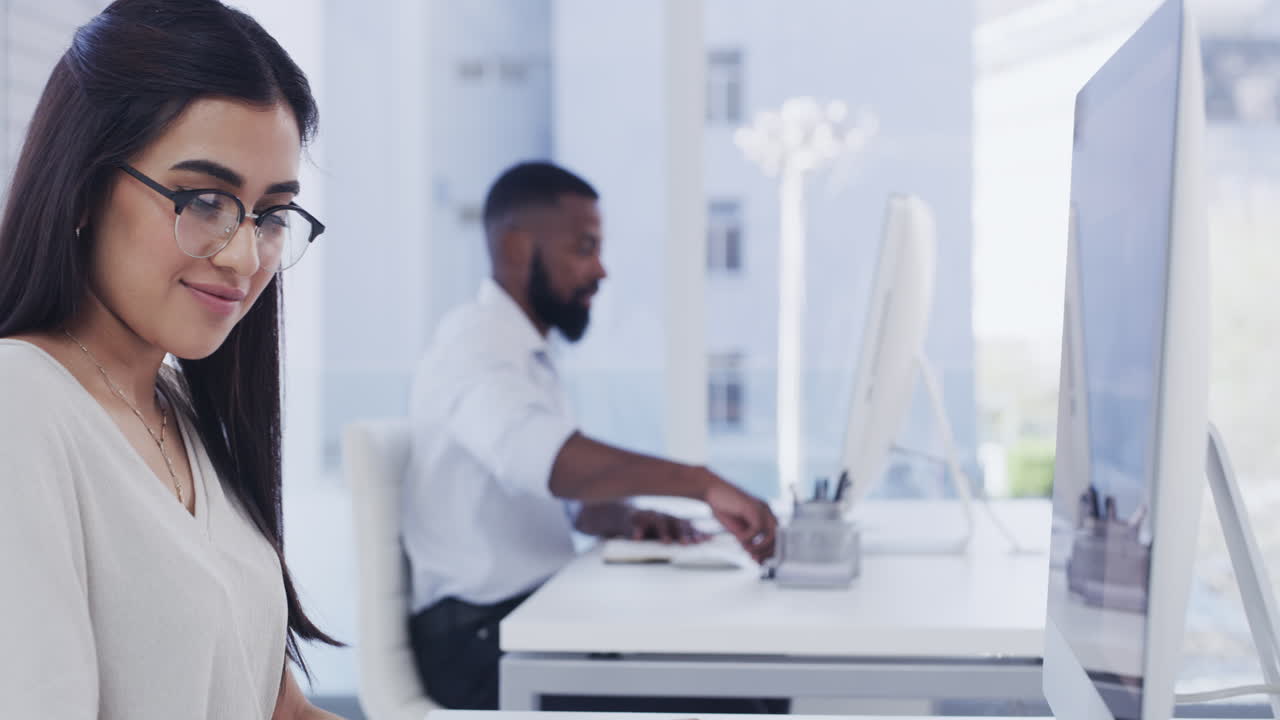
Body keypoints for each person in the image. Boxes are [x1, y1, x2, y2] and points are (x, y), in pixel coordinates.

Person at [0, 1, 344, 718]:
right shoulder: (20, 404)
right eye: (204, 200)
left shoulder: (181, 403)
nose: (246, 257)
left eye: (271, 213)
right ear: (83, 187)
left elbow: (279, 709)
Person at [404, 161, 780, 710]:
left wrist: (623, 517)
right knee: (746, 697)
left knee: (739, 668)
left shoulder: (524, 352)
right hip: (480, 645)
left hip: (524, 618)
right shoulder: (475, 346)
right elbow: (542, 461)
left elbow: (560, 498)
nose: (601, 270)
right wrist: (700, 482)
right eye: (584, 248)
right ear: (516, 249)